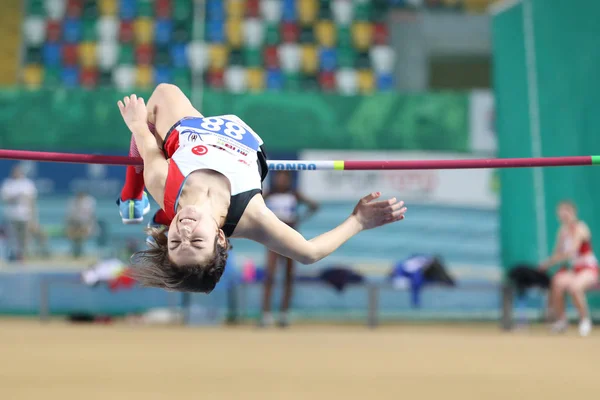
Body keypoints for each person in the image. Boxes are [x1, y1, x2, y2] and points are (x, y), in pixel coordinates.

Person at [115, 84, 407, 293]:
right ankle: (139, 204)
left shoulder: (162, 184)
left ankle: (130, 197)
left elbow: (144, 137)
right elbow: (309, 253)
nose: (185, 233)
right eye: (197, 242)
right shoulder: (253, 218)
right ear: (219, 237)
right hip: (231, 137)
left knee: (162, 94)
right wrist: (357, 221)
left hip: (190, 135)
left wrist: (137, 125)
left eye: (176, 243)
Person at [260, 171, 319, 327]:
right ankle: (266, 315)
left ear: (289, 180)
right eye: (279, 177)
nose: (281, 180)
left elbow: (314, 206)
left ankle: (284, 314)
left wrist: (298, 218)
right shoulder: (268, 194)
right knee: (270, 276)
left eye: (285, 178)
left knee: (288, 276)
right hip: (273, 239)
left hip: (291, 237)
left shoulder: (294, 194)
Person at [539, 201, 598, 336]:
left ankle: (585, 320)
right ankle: (562, 321)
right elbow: (557, 252)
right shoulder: (562, 231)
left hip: (588, 269)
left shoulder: (581, 228)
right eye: (560, 212)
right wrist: (547, 263)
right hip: (575, 269)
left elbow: (572, 251)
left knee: (575, 287)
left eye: (566, 212)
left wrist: (552, 261)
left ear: (573, 213)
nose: (563, 215)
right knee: (557, 282)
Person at [0, 165, 37, 261]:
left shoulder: (28, 184)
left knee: (24, 237)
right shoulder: (8, 183)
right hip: (11, 215)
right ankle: (13, 255)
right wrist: (16, 197)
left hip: (25, 215)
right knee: (12, 237)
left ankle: (22, 255)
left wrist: (33, 217)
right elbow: (5, 198)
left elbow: (32, 202)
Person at [65, 191, 97, 258]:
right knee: (72, 230)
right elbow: (69, 218)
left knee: (83, 230)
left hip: (87, 225)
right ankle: (75, 250)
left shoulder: (89, 202)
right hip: (75, 225)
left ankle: (79, 251)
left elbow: (91, 218)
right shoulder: (72, 202)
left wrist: (85, 224)